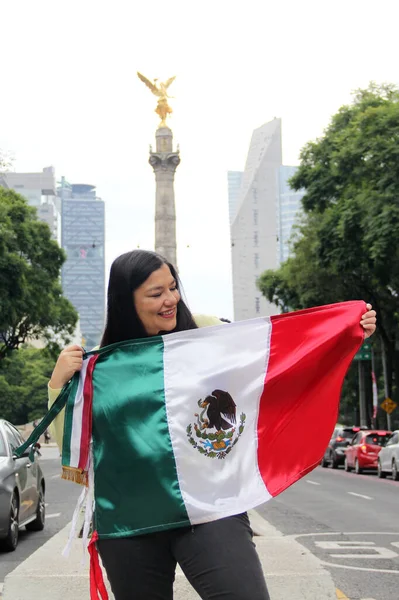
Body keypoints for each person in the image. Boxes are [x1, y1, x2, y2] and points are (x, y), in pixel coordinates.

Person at [47, 250, 377, 600]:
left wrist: (341, 331)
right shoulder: (99, 363)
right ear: (126, 302)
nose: (171, 299)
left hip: (209, 508)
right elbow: (73, 450)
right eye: (156, 294)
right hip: (131, 521)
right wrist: (59, 384)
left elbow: (275, 356)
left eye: (172, 287)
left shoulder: (208, 331)